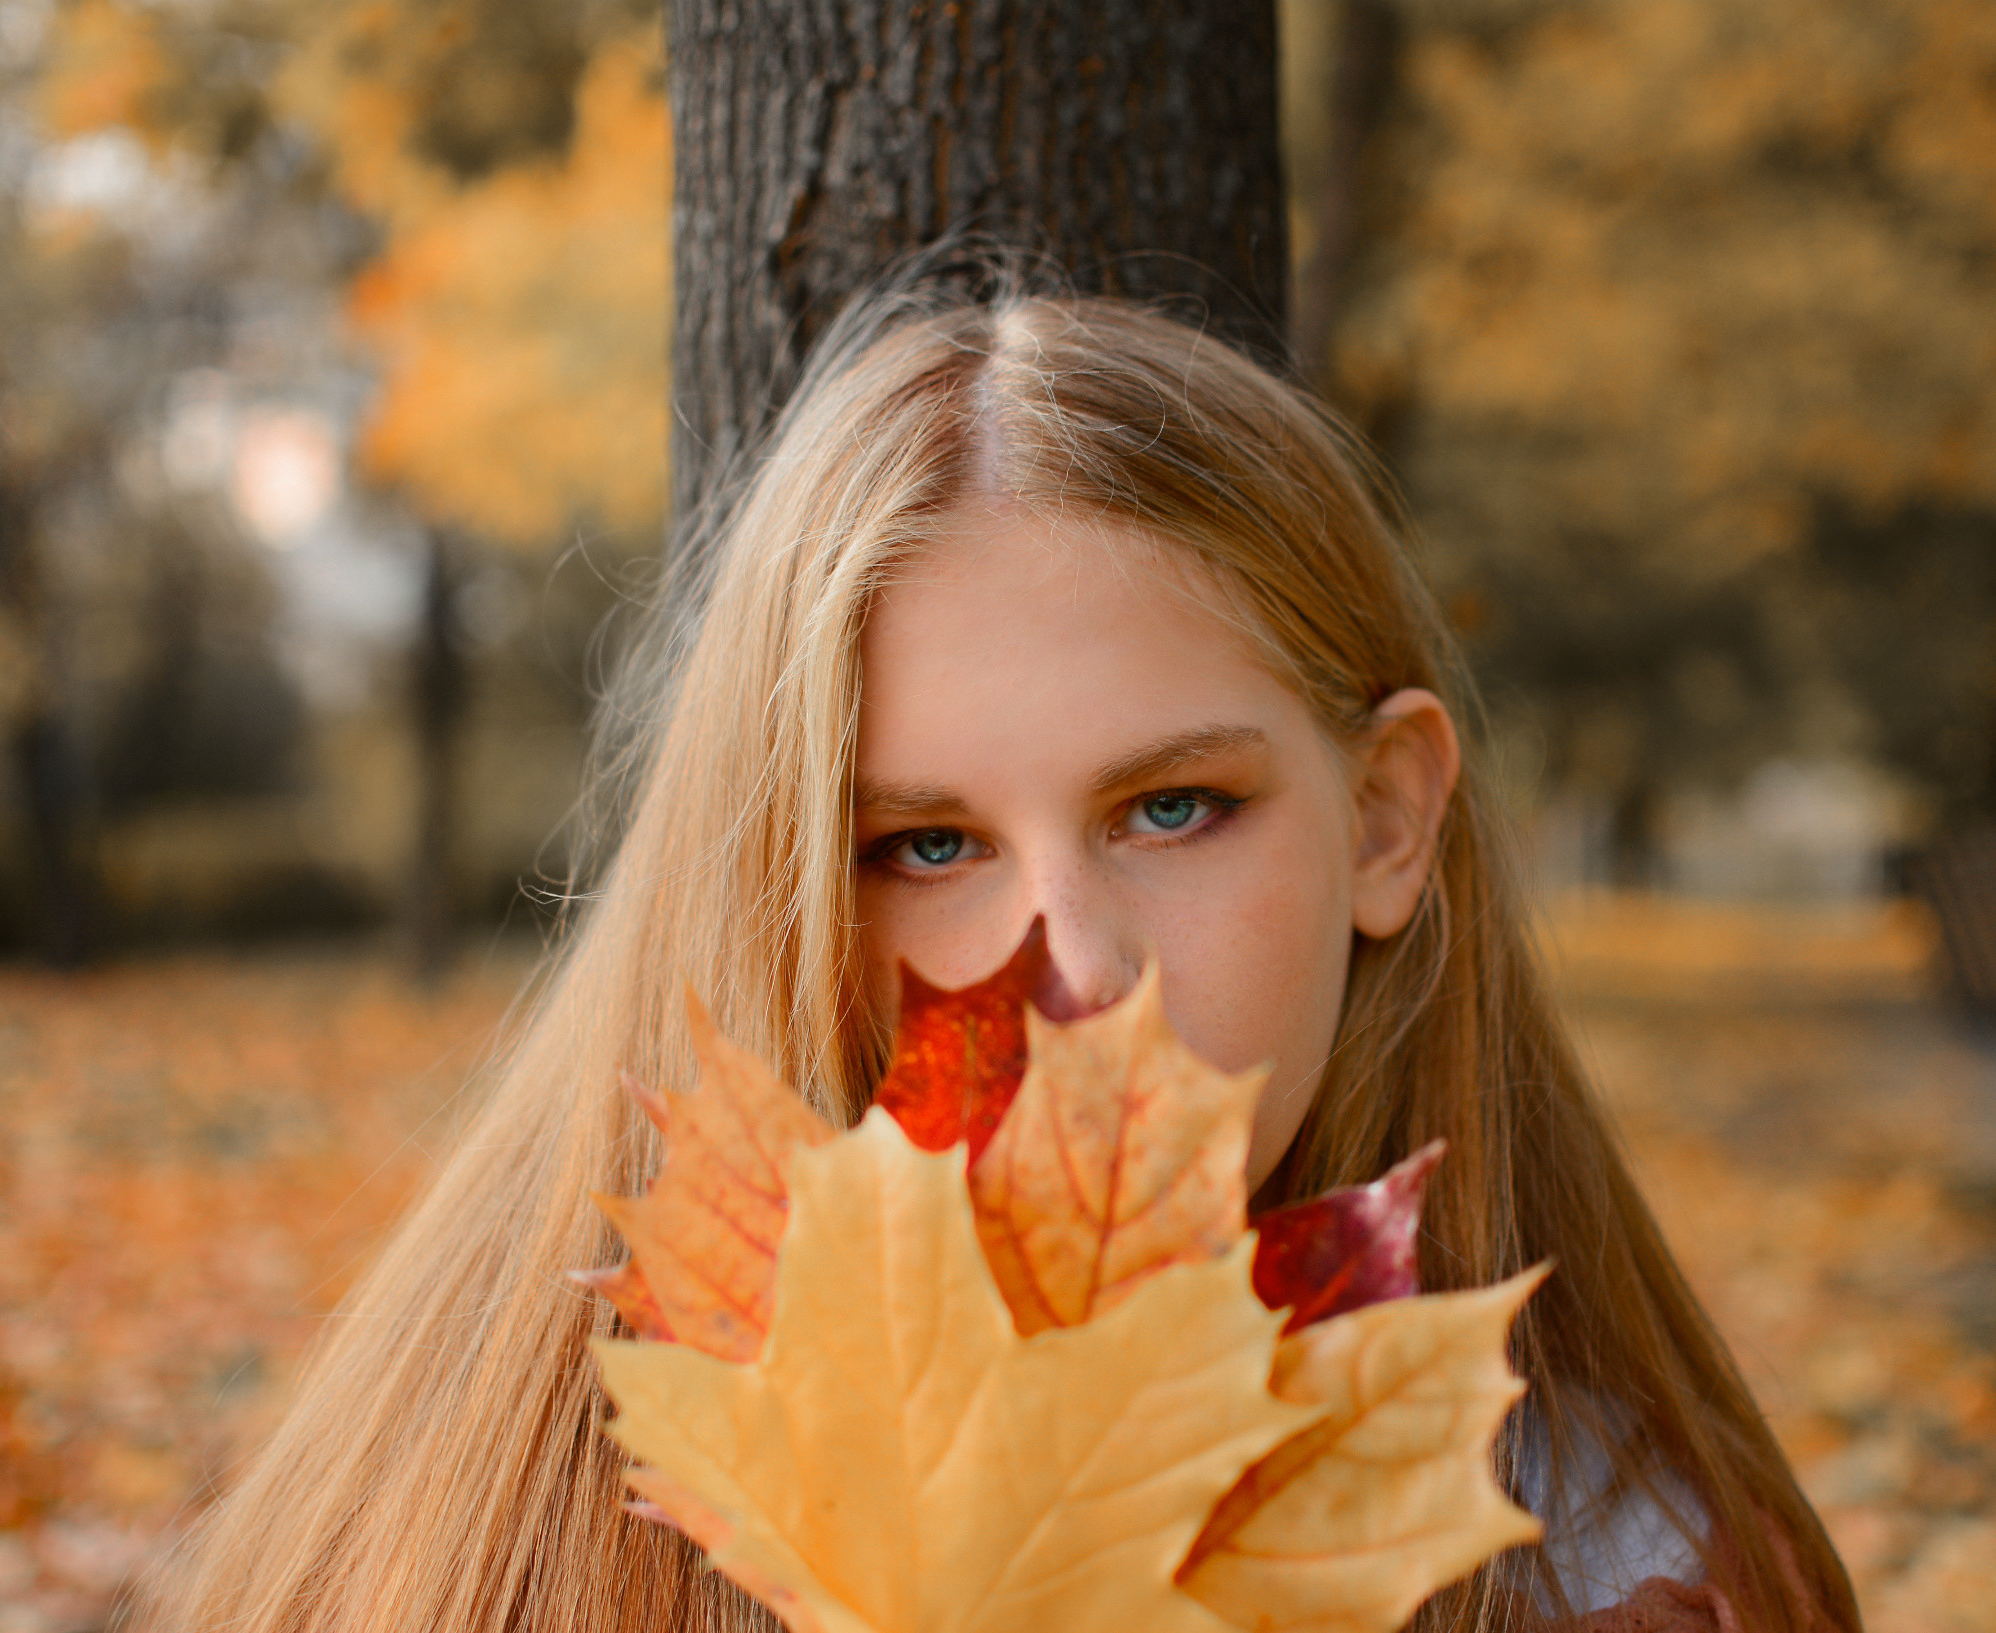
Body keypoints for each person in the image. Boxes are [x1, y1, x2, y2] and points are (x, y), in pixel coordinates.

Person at [137, 287, 1857, 1633]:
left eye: (1174, 807)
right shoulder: (491, 1536)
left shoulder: (1623, 1559)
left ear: (1388, 821)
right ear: (786, 893)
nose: (1072, 973)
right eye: (928, 847)